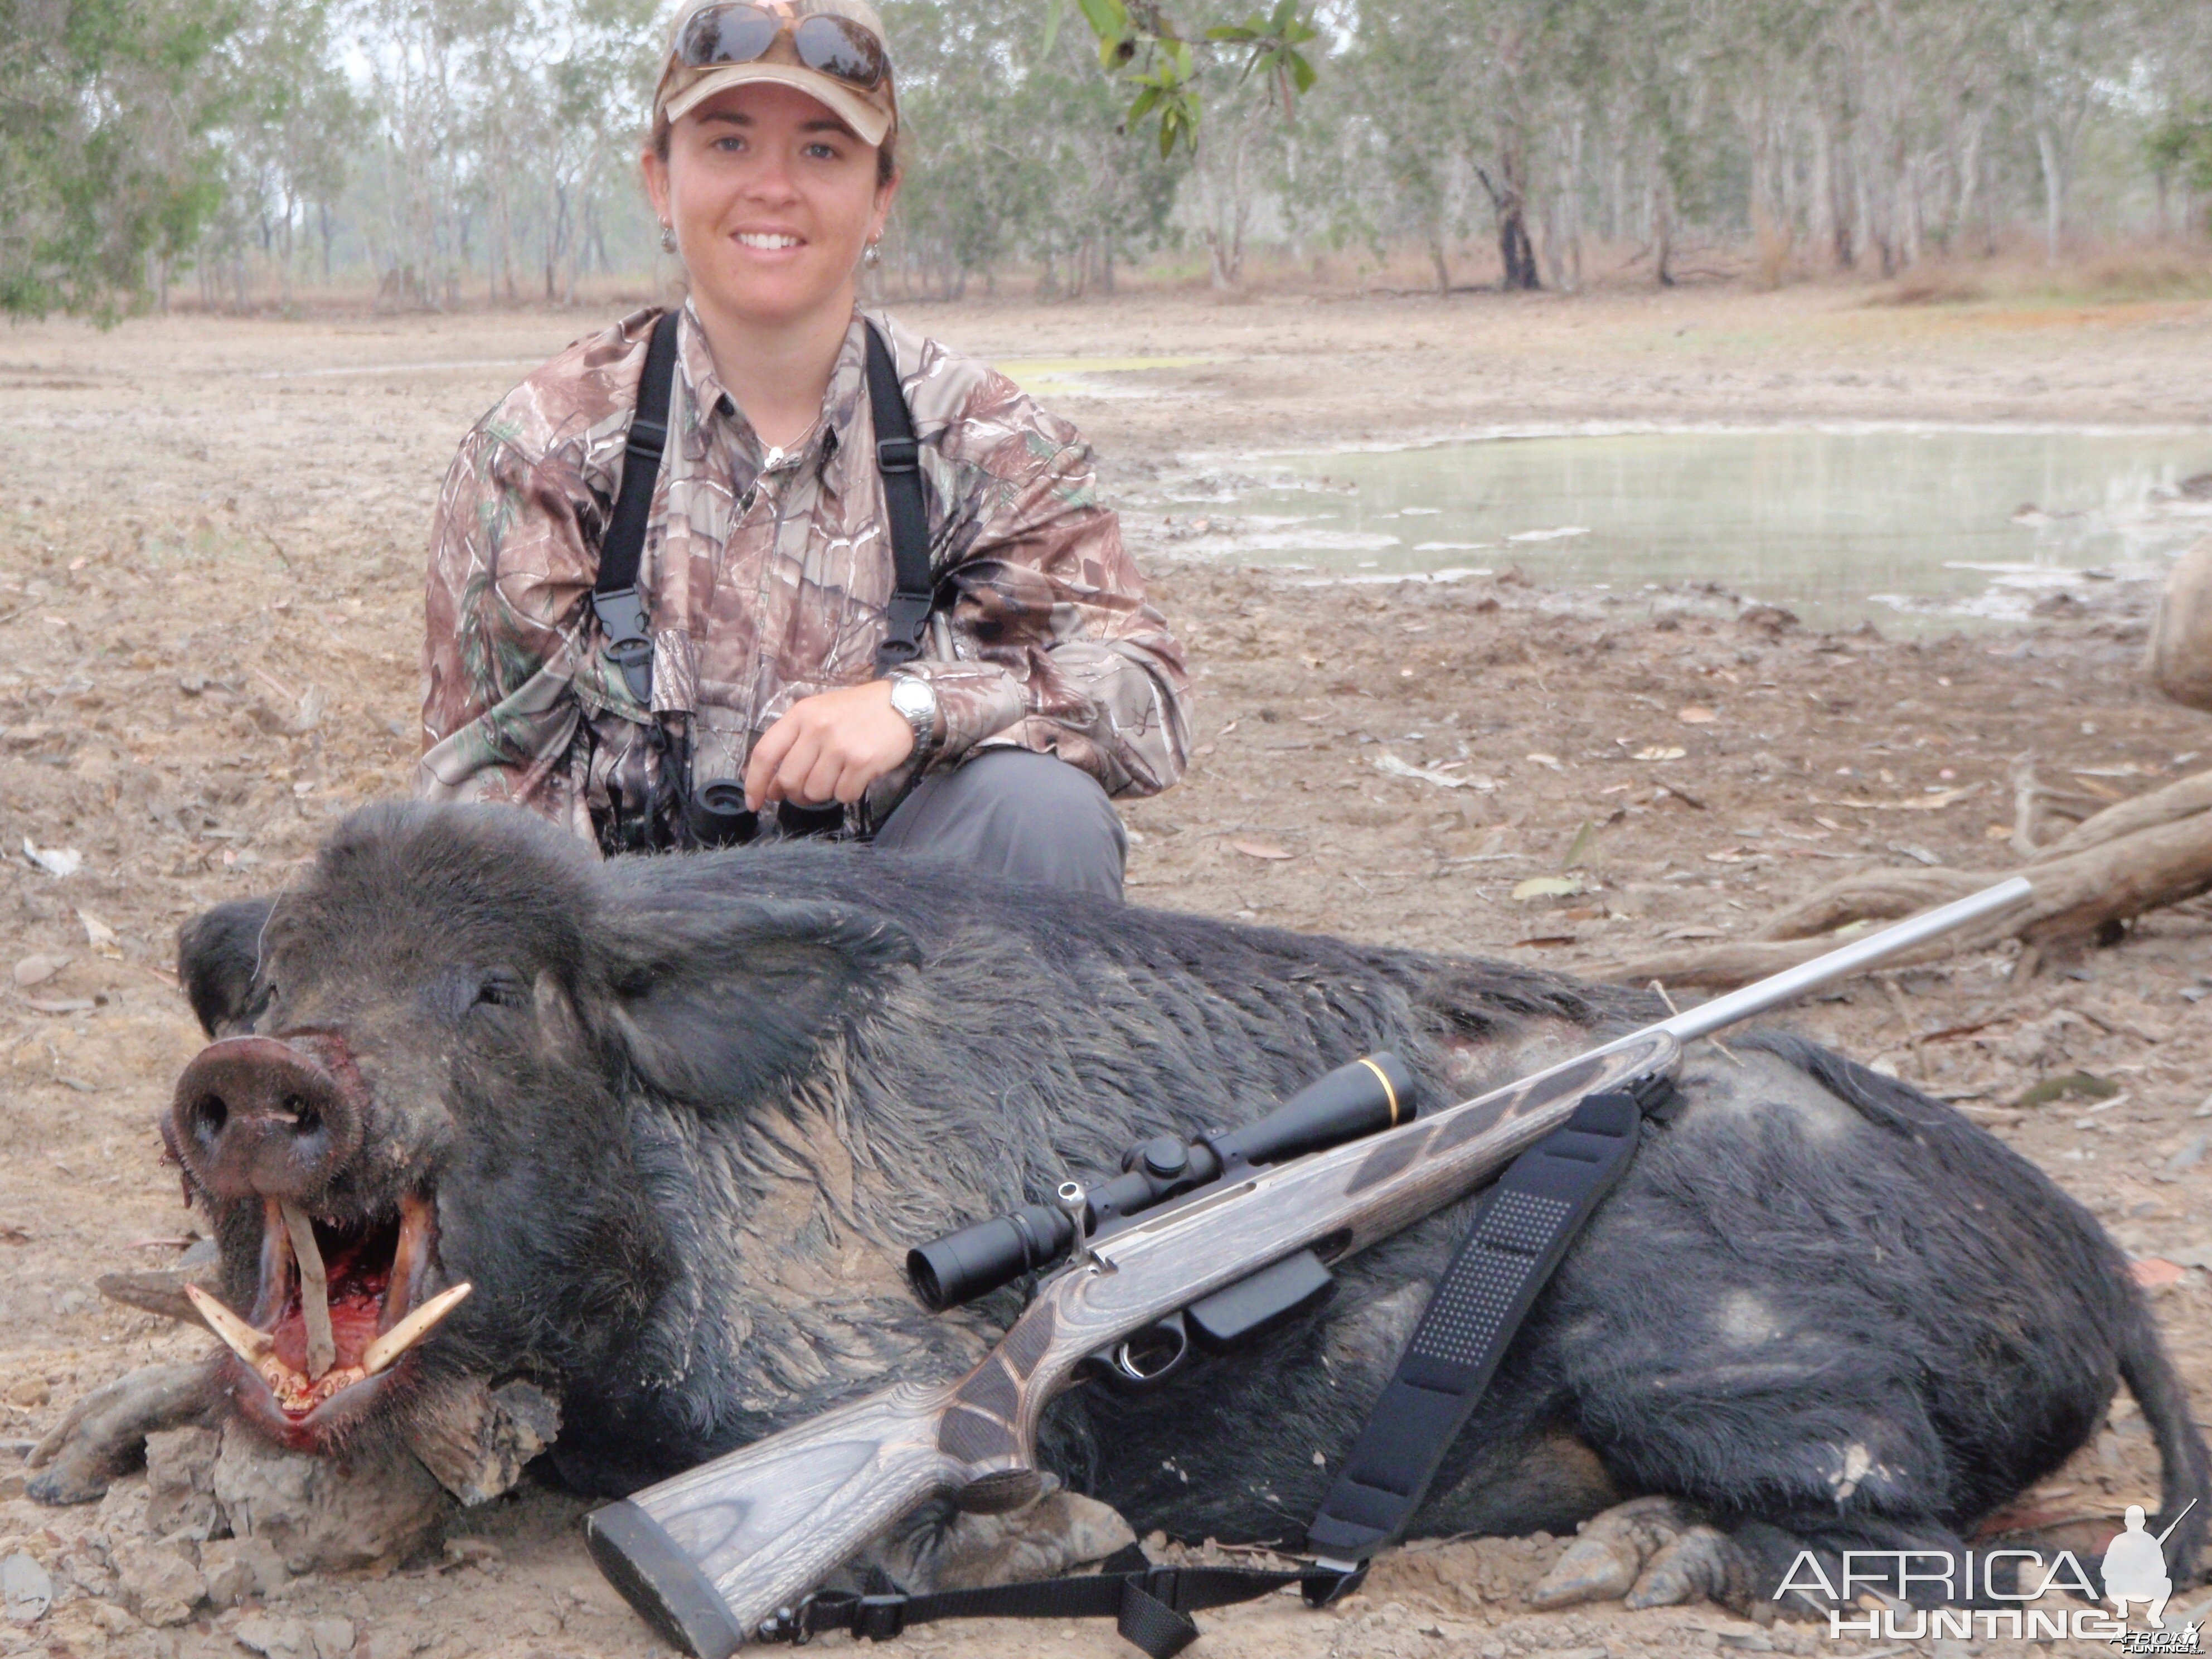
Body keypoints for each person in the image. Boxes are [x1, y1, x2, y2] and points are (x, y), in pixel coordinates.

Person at [416, 0, 1188, 897]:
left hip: (912, 978)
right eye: (728, 144)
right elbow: (480, 806)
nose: (773, 188)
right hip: (632, 989)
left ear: (881, 199)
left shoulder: (989, 441)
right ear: (661, 184)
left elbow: (1148, 692)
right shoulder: (538, 452)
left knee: (1041, 812)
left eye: (823, 150)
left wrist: (918, 706)